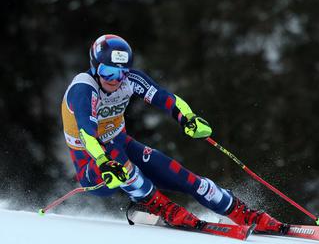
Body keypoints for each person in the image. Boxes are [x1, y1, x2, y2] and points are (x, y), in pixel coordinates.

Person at [60, 34, 288, 233]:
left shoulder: (130, 80)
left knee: (186, 178)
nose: (115, 80)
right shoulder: (84, 88)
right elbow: (87, 134)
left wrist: (187, 118)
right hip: (91, 164)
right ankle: (159, 205)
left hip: (121, 143)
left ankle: (241, 213)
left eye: (121, 73)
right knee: (120, 163)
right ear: (95, 68)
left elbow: (165, 98)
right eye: (107, 72)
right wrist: (102, 161)